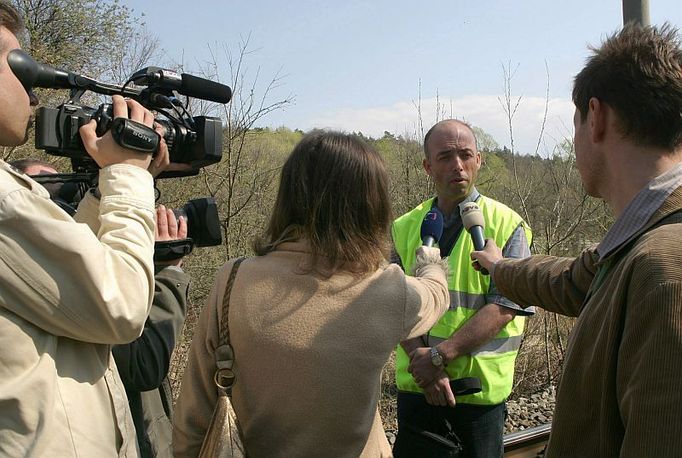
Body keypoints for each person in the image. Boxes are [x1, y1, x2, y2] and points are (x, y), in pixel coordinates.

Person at [471, 24, 682, 457]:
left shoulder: (665, 267)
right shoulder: (639, 241)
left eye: (575, 124)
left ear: (597, 117)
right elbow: (574, 280)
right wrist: (500, 266)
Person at [173, 131, 451, 457]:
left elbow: (193, 415)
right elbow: (435, 295)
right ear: (371, 207)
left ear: (289, 197)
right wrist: (430, 260)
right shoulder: (385, 289)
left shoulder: (233, 280)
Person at [0, 1, 171, 455]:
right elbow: (122, 305)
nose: (33, 93)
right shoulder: (4, 201)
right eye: (19, 67)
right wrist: (130, 177)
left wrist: (106, 188)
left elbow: (67, 279)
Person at [10, 162, 190, 458]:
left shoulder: (71, 263)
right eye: (47, 187)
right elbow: (143, 364)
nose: (62, 194)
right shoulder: (41, 275)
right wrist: (167, 274)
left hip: (140, 432)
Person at [392, 119, 533, 457]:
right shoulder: (405, 226)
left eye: (465, 154)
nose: (458, 165)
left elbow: (505, 307)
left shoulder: (508, 224)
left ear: (479, 160)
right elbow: (393, 303)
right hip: (418, 388)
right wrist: (423, 366)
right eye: (445, 157)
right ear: (428, 166)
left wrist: (440, 356)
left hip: (478, 396)